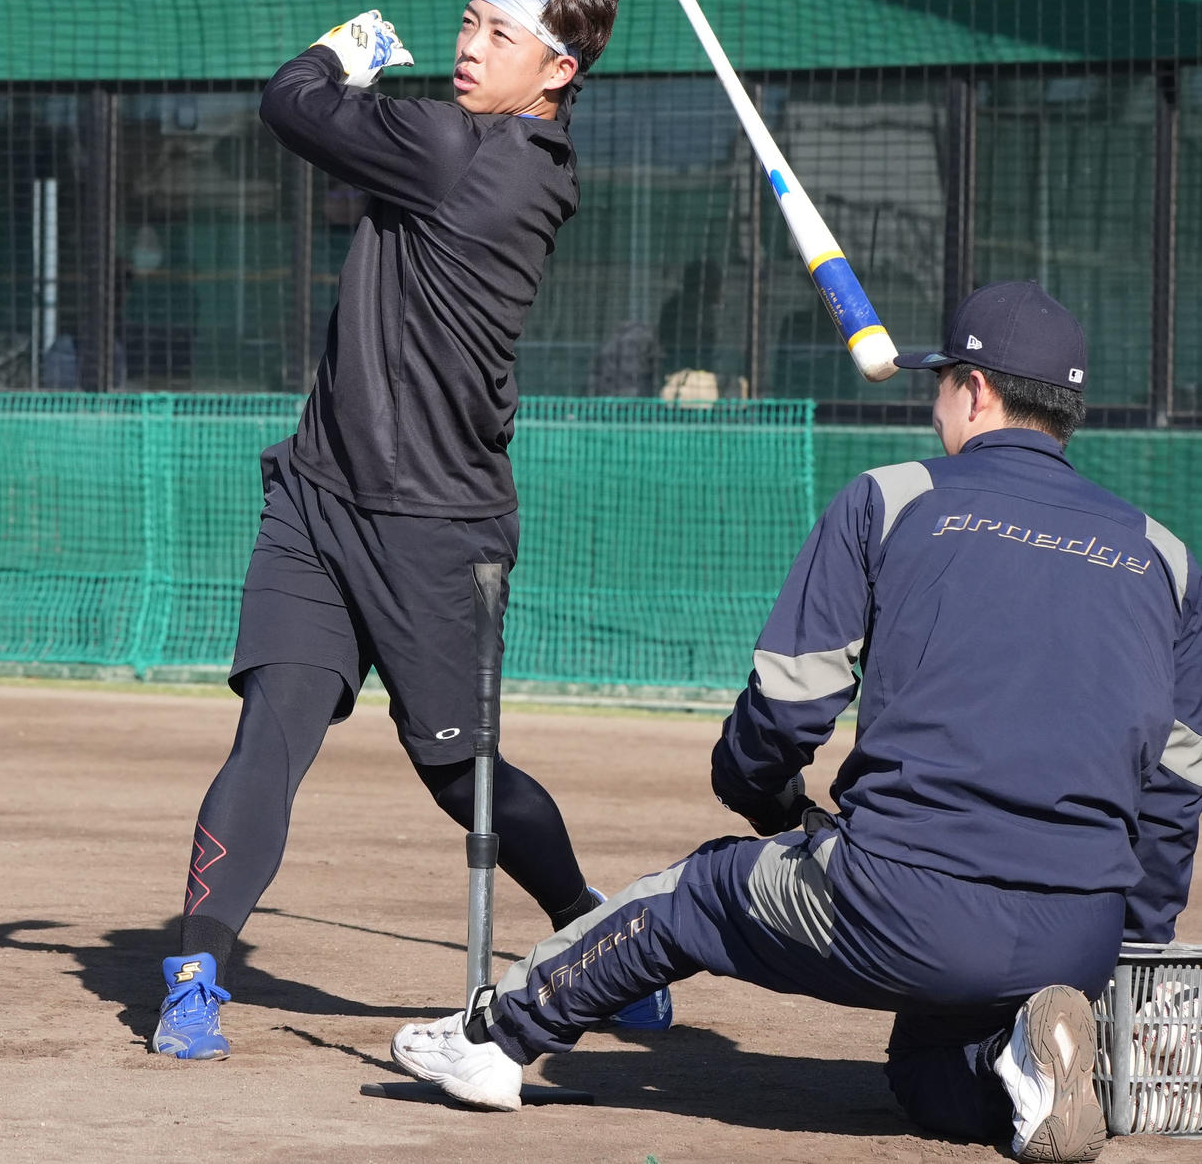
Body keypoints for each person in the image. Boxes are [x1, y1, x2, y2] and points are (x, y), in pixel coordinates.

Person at [390, 280, 1202, 1163]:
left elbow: (785, 710)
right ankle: (1021, 1068)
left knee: (690, 895)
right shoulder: (1163, 553)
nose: (936, 408)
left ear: (975, 389)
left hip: (901, 902)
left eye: (941, 385)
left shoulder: (893, 498)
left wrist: (762, 802)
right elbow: (1175, 784)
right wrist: (1132, 946)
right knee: (925, 1063)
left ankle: (495, 1041)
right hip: (1076, 934)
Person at [150, 0, 702, 1059]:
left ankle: (594, 934)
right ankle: (196, 969)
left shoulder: (464, 152)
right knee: (274, 727)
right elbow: (552, 31)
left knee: (462, 772)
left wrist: (350, 45)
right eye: (466, 20)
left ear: (556, 72)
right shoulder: (509, 122)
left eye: (497, 33)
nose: (467, 45)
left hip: (436, 528)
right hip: (319, 494)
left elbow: (291, 102)